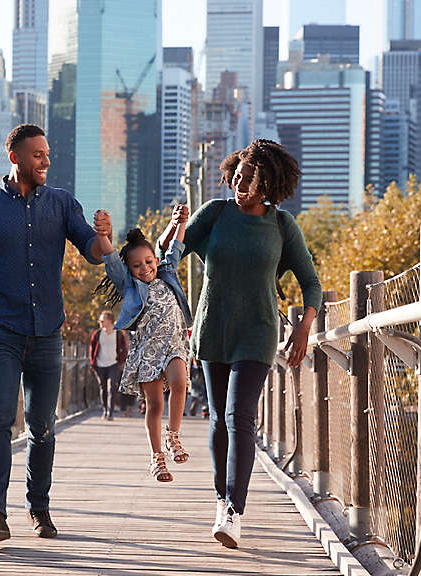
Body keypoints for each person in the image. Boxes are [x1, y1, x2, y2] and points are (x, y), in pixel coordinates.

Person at [0, 124, 113, 544]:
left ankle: (39, 507)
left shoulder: (62, 204)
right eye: (38, 154)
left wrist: (105, 237)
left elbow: (92, 252)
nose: (46, 161)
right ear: (15, 157)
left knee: (43, 426)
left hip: (47, 335)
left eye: (48, 154)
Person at [165, 138, 321, 548]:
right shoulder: (214, 214)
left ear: (268, 184)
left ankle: (234, 510)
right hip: (213, 328)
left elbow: (311, 283)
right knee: (218, 419)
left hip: (258, 331)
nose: (240, 185)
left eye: (249, 180)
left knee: (240, 416)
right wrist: (172, 230)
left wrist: (303, 328)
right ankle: (222, 501)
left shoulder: (282, 225)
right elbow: (171, 255)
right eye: (236, 177)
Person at [93, 205, 193, 483]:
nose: (145, 268)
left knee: (180, 381)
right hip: (147, 349)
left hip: (173, 344)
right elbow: (111, 257)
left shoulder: (167, 271)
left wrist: (180, 222)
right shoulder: (129, 284)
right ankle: (157, 458)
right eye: (137, 266)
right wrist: (102, 234)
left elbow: (176, 246)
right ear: (130, 269)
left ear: (155, 260)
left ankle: (173, 437)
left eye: (149, 262)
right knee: (155, 404)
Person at [90, 310, 128, 420]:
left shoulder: (118, 333)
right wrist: (93, 363)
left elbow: (124, 348)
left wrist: (121, 361)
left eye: (103, 320)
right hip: (100, 365)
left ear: (110, 320)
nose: (100, 322)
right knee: (103, 388)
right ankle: (105, 410)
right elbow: (92, 349)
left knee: (112, 387)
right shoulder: (97, 334)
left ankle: (110, 413)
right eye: (100, 320)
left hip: (113, 364)